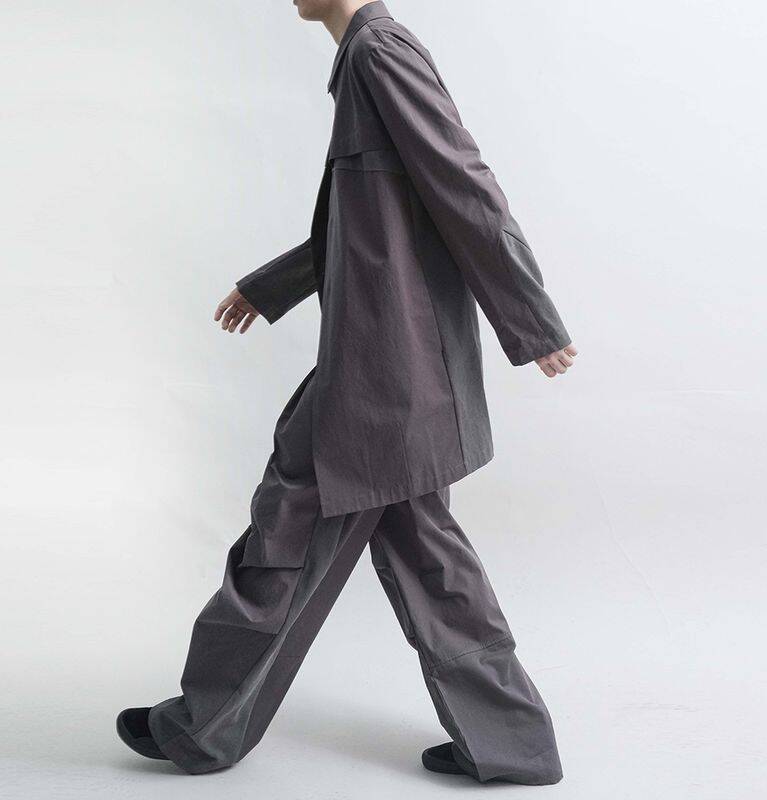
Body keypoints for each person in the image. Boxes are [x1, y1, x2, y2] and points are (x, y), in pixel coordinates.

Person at [116, 0, 577, 785]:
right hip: (392, 371)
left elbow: (465, 184)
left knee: (285, 530)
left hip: (379, 375)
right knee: (429, 560)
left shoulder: (378, 53)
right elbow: (376, 217)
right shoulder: (367, 57)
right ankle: (513, 744)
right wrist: (274, 285)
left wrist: (532, 322)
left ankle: (202, 728)